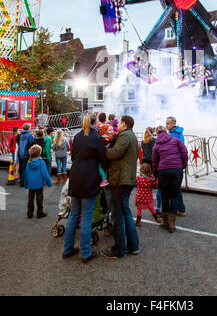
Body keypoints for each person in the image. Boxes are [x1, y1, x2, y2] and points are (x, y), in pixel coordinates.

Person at [62, 113, 107, 263]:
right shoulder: (96, 137)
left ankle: (67, 249)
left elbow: (74, 156)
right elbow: (104, 159)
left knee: (74, 215)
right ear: (96, 123)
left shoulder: (77, 136)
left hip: (75, 175)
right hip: (89, 177)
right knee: (86, 217)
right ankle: (86, 253)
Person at [101, 115, 139, 259]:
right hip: (126, 179)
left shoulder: (125, 136)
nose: (118, 126)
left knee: (118, 215)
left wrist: (103, 149)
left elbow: (115, 153)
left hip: (120, 179)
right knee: (125, 212)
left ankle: (118, 249)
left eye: (120, 123)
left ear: (124, 124)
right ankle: (133, 245)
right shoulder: (131, 136)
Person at [152, 126, 188, 233]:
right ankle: (172, 224)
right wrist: (183, 165)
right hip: (177, 169)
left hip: (163, 171)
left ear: (157, 133)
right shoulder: (175, 140)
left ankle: (165, 222)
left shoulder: (156, 145)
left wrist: (155, 174)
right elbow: (185, 152)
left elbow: (155, 162)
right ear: (166, 131)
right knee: (174, 195)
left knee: (164, 195)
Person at [24, 144, 52, 218]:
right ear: (39, 152)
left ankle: (29, 213)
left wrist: (25, 184)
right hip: (39, 183)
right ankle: (39, 213)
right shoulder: (41, 162)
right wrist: (49, 183)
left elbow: (26, 173)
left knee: (30, 199)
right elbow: (45, 173)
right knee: (39, 199)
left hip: (31, 183)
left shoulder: (29, 162)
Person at [166, 116, 186, 216]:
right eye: (166, 123)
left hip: (174, 163)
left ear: (173, 123)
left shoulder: (176, 134)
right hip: (174, 163)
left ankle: (180, 208)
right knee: (175, 187)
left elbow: (181, 149)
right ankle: (180, 208)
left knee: (175, 188)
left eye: (168, 123)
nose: (166, 125)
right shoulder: (173, 133)